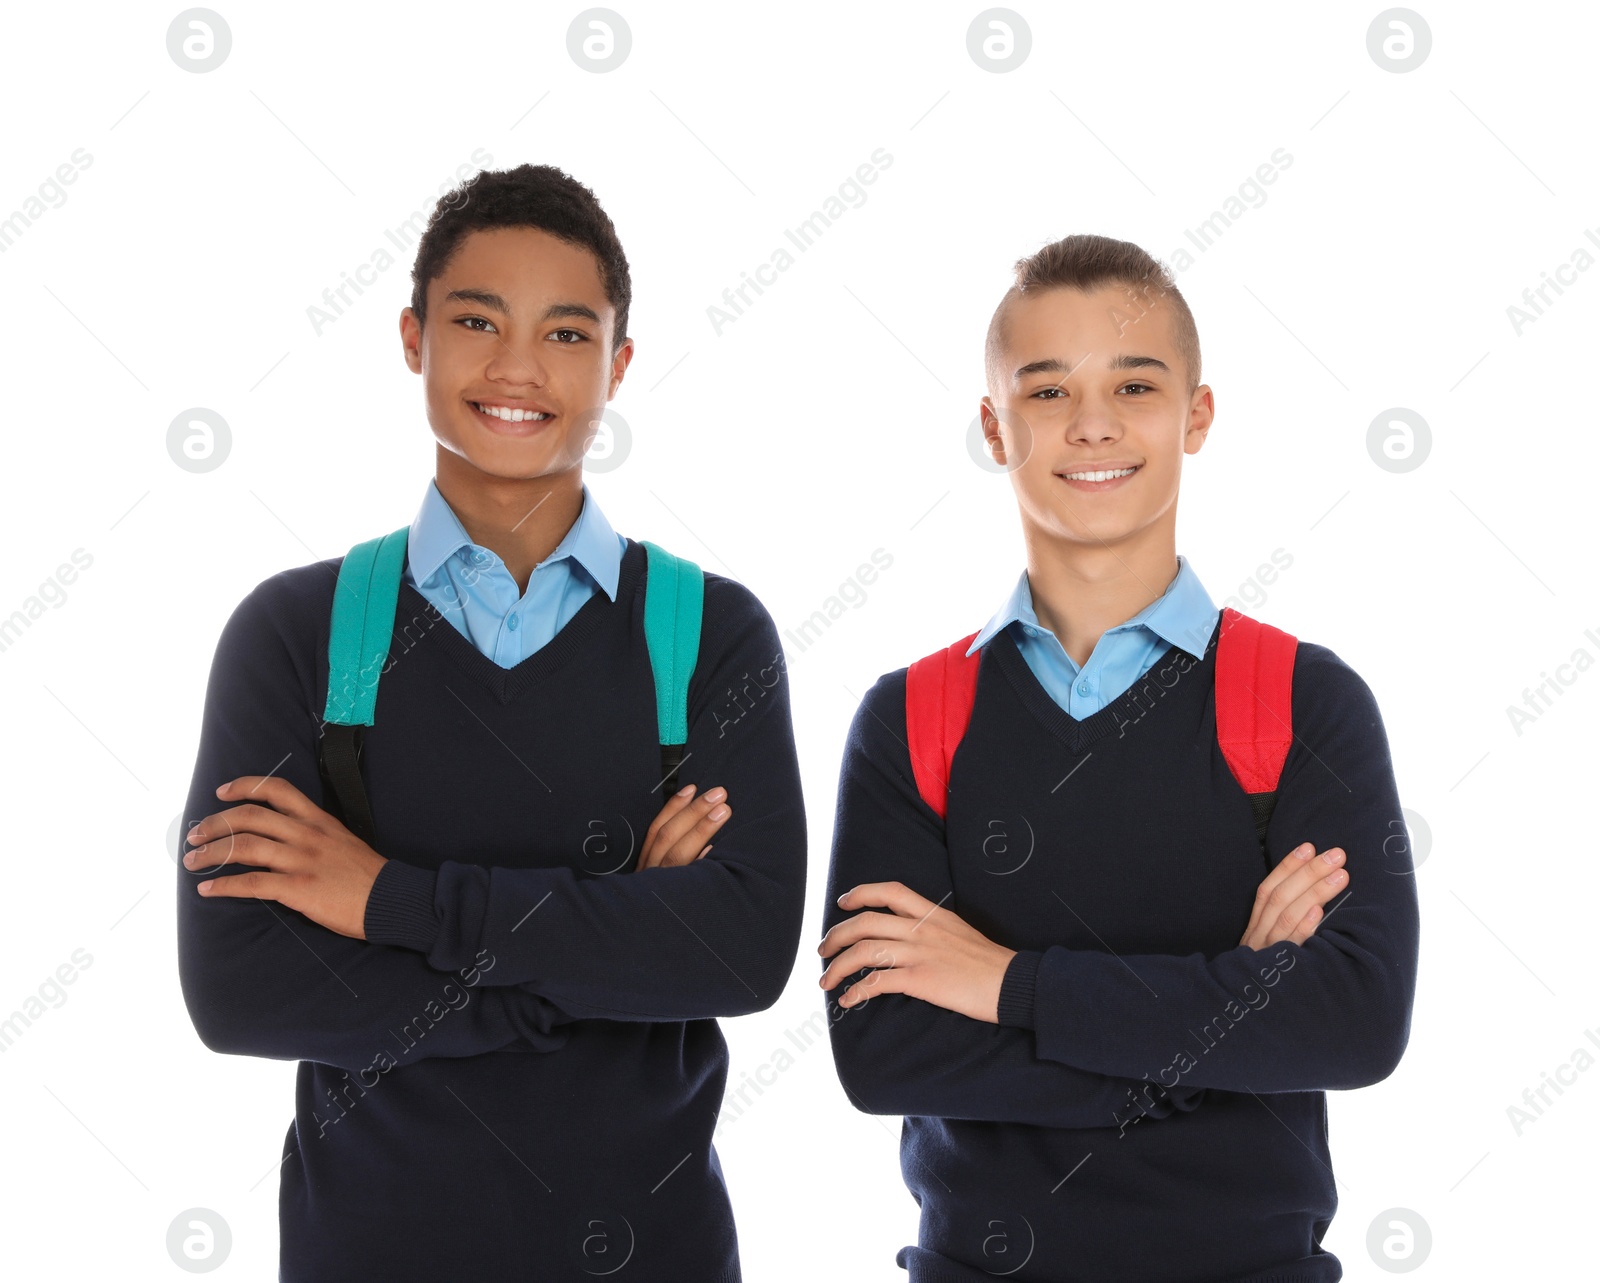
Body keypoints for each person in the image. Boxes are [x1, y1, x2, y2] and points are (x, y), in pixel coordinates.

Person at [177, 163, 806, 1282]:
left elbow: (742, 953)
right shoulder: (298, 633)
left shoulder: (709, 635)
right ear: (413, 337)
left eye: (567, 334)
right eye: (477, 320)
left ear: (617, 365)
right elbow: (239, 988)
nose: (518, 367)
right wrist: (608, 952)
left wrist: (383, 899)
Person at [818, 233, 1419, 1282]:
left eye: (1133, 384)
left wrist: (1001, 981)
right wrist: (1228, 1002)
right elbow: (883, 1054)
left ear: (1195, 414)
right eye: (1045, 391)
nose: (1092, 423)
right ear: (994, 428)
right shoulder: (914, 715)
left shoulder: (1300, 700)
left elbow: (1354, 1024)